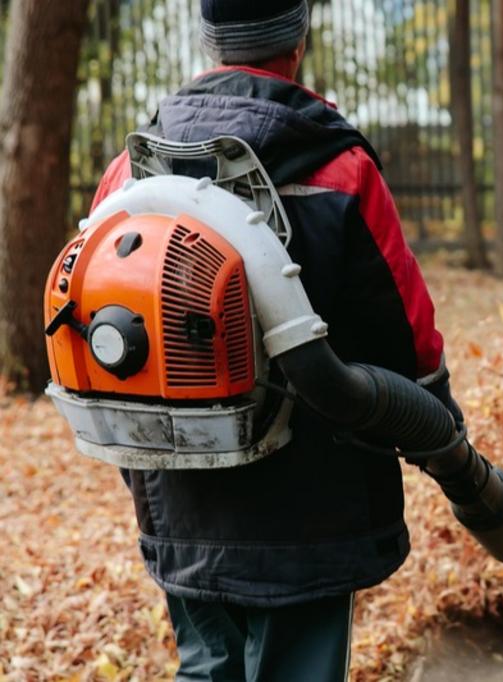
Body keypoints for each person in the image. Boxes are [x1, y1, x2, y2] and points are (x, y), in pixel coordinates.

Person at [89, 1, 462, 680]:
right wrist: (439, 417)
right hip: (314, 500)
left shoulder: (131, 170)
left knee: (206, 666)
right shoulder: (339, 167)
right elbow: (406, 336)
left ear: (207, 42)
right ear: (298, 43)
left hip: (179, 492)